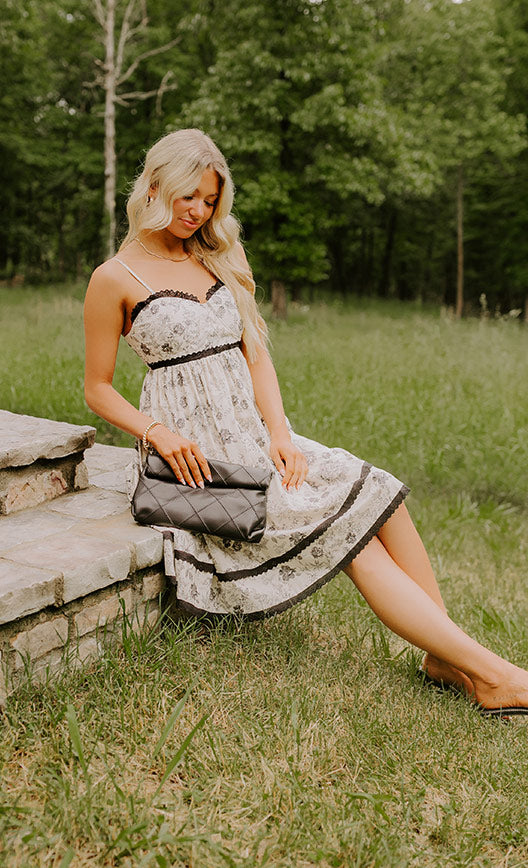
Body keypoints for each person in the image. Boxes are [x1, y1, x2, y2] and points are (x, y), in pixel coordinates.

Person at [83, 127, 528, 718]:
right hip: (196, 452)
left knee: (383, 495)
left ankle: (445, 657)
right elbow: (96, 388)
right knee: (351, 537)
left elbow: (255, 353)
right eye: (189, 196)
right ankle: (495, 677)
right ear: (154, 186)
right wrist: (155, 432)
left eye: (210, 200)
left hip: (252, 430)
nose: (199, 212)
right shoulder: (114, 277)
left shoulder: (220, 254)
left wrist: (280, 433)